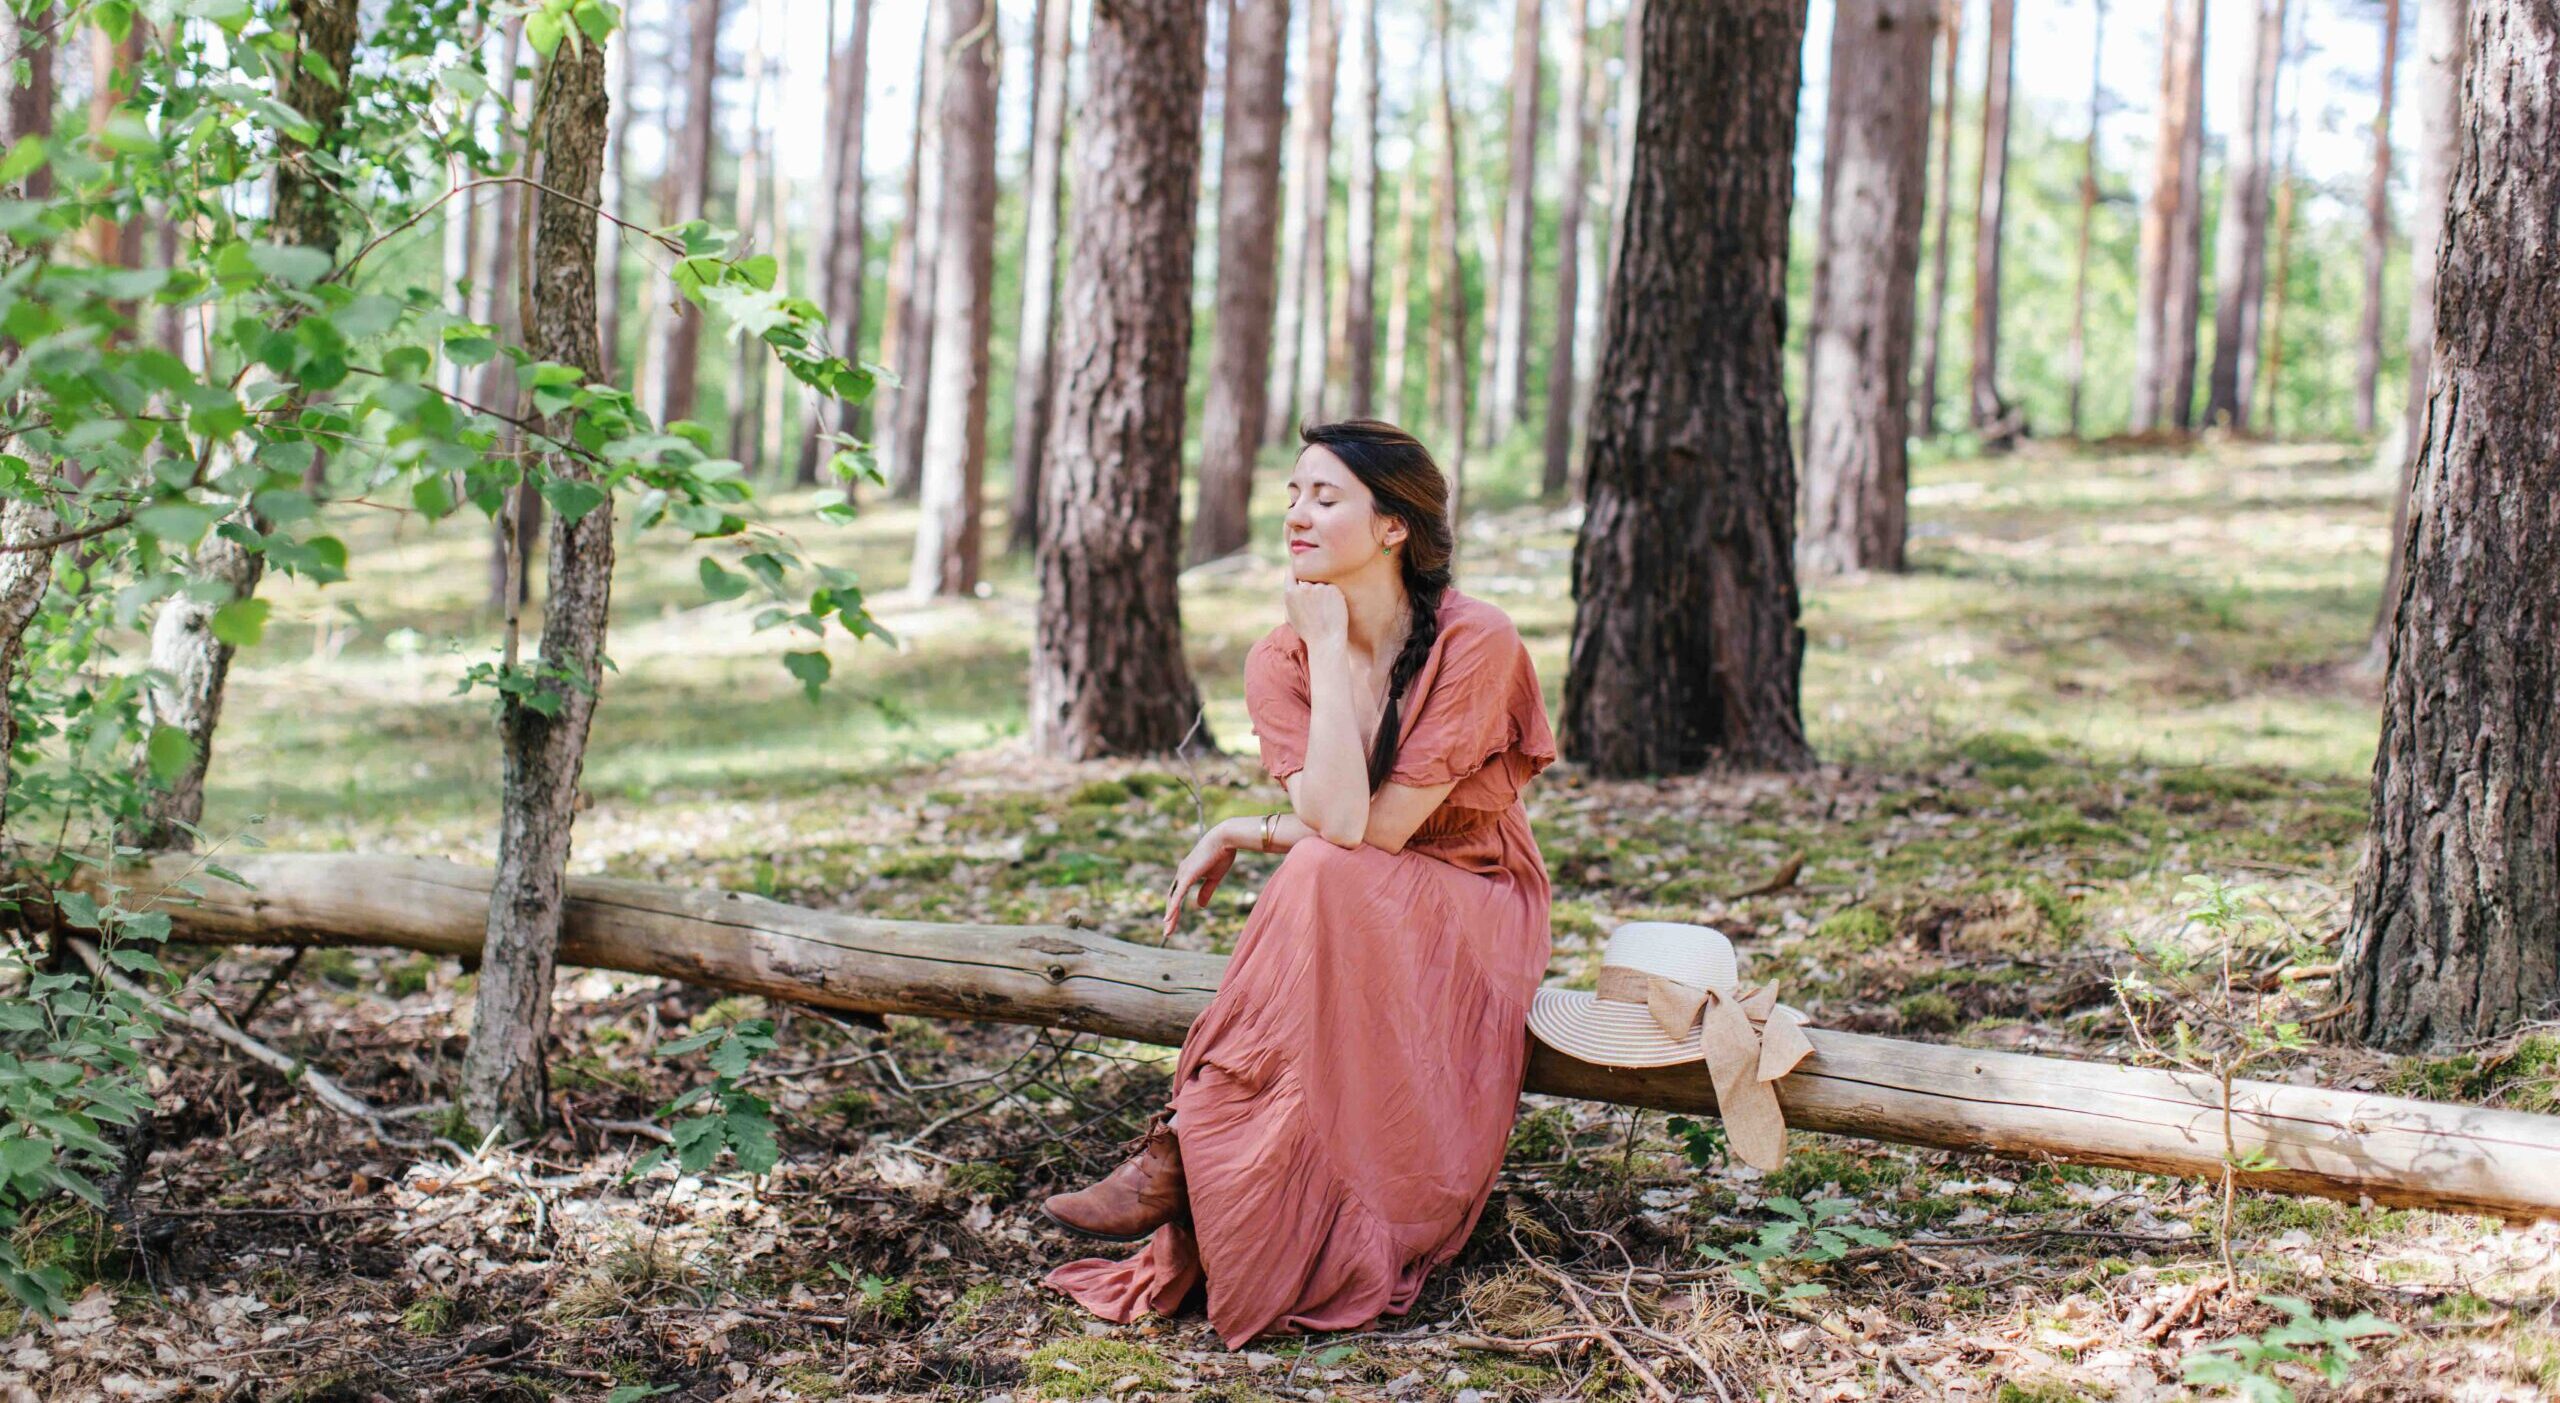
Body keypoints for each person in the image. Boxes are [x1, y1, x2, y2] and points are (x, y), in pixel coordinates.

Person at [1039, 419, 1558, 1348]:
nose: (1297, 516)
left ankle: (1181, 1149)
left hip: (1469, 888)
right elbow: (1336, 821)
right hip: (1354, 882)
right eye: (1292, 494)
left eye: (1325, 497)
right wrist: (1317, 650)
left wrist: (1248, 822)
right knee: (1325, 870)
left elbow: (1376, 825)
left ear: (1394, 525)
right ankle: (1202, 1159)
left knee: (1325, 864)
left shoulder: (1475, 639)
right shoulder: (1278, 657)